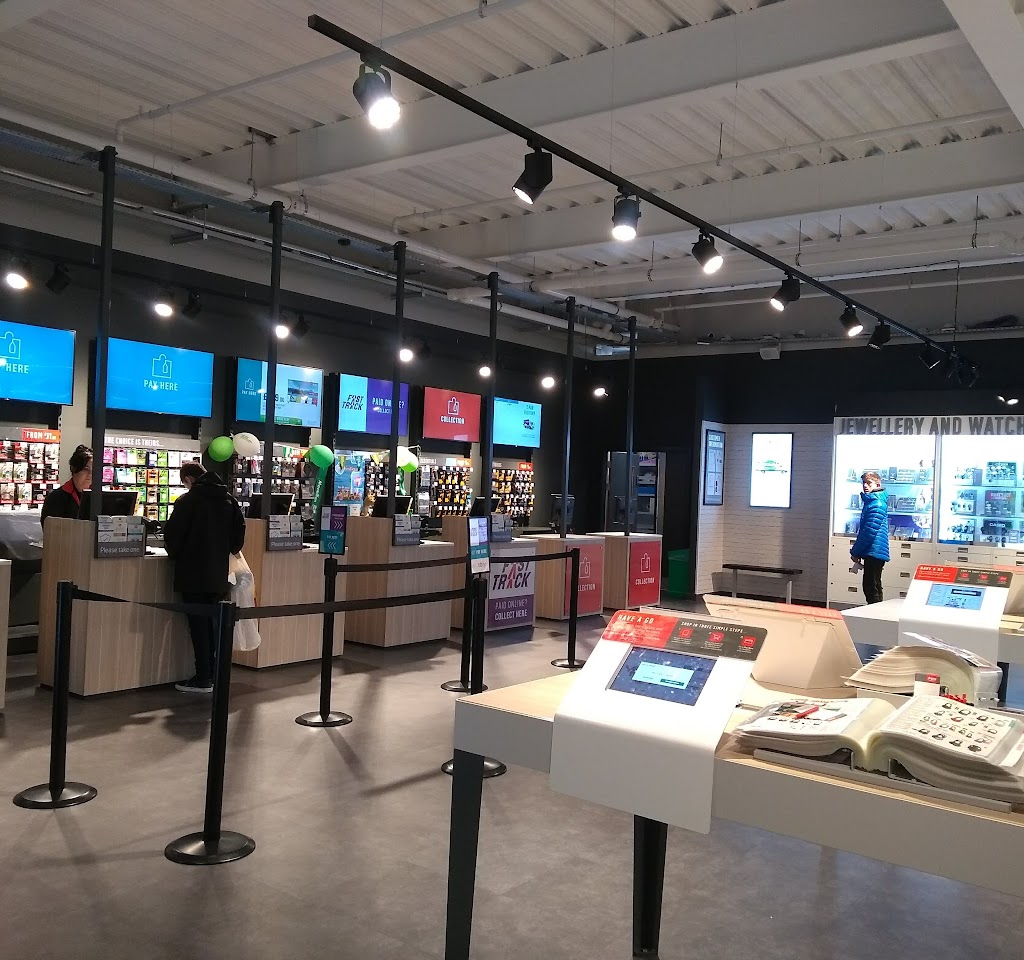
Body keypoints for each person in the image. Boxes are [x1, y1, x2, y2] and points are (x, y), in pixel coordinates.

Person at [164, 461, 245, 693]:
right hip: (219, 574)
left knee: (198, 626)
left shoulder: (187, 502)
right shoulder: (229, 500)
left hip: (192, 573)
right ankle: (215, 674)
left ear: (189, 480)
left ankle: (203, 678)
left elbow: (173, 538)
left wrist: (178, 554)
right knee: (214, 625)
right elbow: (237, 541)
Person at [851, 470, 889, 605]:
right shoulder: (873, 502)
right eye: (864, 483)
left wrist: (855, 551)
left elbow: (868, 532)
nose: (865, 486)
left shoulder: (876, 504)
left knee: (871, 586)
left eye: (869, 483)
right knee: (873, 584)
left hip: (874, 550)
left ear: (877, 484)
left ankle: (875, 614)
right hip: (874, 550)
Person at [40, 445, 92, 525]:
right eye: (86, 469)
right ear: (74, 469)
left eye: (94, 469)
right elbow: (49, 529)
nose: (90, 474)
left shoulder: (99, 497)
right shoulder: (56, 498)